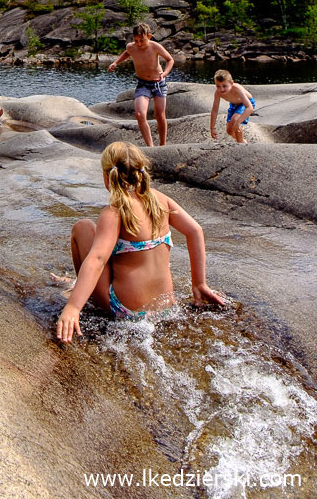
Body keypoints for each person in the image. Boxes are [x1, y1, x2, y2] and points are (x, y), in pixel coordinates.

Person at [56, 142, 224, 341]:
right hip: (166, 308)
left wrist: (73, 307)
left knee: (83, 227)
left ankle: (79, 291)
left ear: (106, 176)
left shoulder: (114, 212)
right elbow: (195, 230)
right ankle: (81, 287)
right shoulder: (160, 200)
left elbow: (98, 258)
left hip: (124, 310)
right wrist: (199, 283)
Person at [108, 22, 174, 146]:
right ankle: (150, 146)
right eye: (136, 40)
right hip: (143, 84)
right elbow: (127, 52)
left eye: (142, 40)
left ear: (149, 37)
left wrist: (164, 73)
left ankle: (163, 144)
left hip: (158, 83)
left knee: (159, 115)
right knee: (139, 114)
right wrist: (116, 62)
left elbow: (170, 59)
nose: (138, 43)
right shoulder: (131, 47)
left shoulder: (155, 46)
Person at [209, 69, 255, 144]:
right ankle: (242, 141)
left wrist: (238, 122)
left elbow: (249, 107)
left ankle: (241, 144)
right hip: (234, 105)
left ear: (231, 83)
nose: (221, 89)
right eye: (218, 86)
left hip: (246, 103)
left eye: (224, 86)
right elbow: (215, 110)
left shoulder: (237, 89)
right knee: (229, 131)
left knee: (235, 119)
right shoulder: (218, 93)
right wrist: (212, 128)